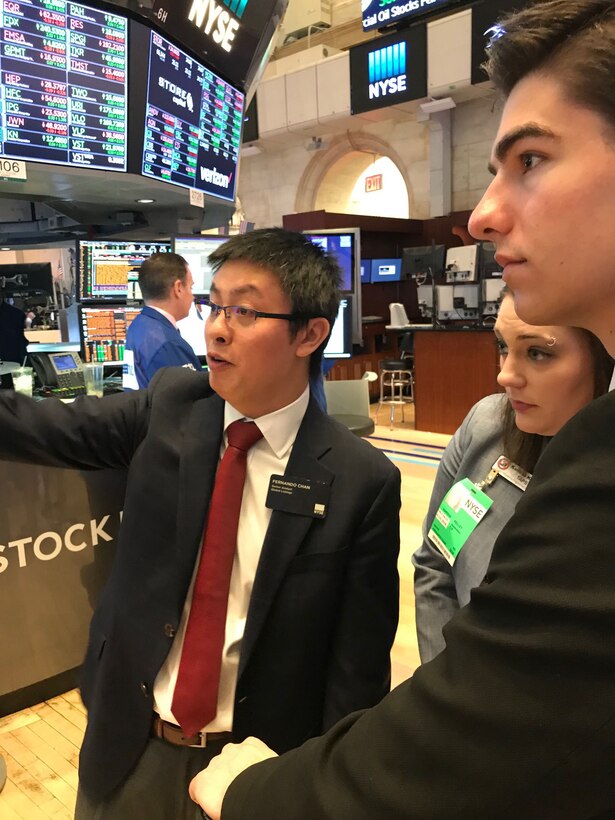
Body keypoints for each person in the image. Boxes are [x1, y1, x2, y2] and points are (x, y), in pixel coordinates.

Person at [189, 2, 615, 817]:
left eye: (531, 158)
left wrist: (250, 792)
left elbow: (454, 756)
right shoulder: (483, 435)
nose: (485, 213)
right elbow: (435, 575)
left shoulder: (597, 465)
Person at [0, 228, 400, 818]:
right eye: (214, 304)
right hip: (130, 745)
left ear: (310, 334)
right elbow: (38, 426)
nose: (215, 327)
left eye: (244, 310)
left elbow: (357, 672)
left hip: (253, 770)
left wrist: (319, 791)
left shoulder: (360, 480)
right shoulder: (169, 407)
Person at [413, 289, 613, 662]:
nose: (505, 375)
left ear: (606, 359)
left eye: (537, 352)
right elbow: (435, 564)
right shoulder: (486, 425)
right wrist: (443, 684)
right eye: (503, 347)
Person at [122, 252, 201, 389]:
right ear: (178, 289)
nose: (193, 297)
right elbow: (193, 401)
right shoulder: (168, 344)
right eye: (190, 287)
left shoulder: (139, 325)